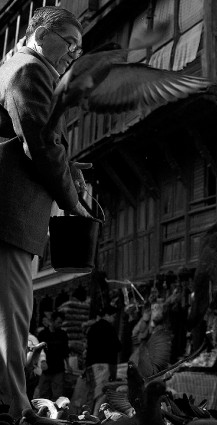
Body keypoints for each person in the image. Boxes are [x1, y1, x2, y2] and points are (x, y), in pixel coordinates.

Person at [0, 6, 90, 418]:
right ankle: (14, 407)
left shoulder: (20, 67)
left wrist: (69, 169)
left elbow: (37, 140)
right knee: (12, 317)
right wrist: (73, 201)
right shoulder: (30, 70)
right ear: (40, 34)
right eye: (69, 43)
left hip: (12, 213)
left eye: (78, 48)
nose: (73, 53)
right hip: (12, 215)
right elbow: (39, 145)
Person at [85, 305, 121, 414]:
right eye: (113, 316)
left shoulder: (92, 328)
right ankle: (95, 416)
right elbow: (118, 346)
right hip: (103, 365)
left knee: (92, 392)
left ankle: (86, 415)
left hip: (91, 365)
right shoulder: (109, 328)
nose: (114, 319)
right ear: (106, 315)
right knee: (101, 393)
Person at [36, 311, 70, 400]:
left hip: (58, 369)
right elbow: (38, 351)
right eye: (58, 322)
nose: (60, 325)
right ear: (52, 321)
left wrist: (68, 365)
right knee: (43, 394)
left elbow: (65, 351)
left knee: (57, 395)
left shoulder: (63, 334)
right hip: (45, 369)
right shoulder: (43, 334)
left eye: (61, 323)